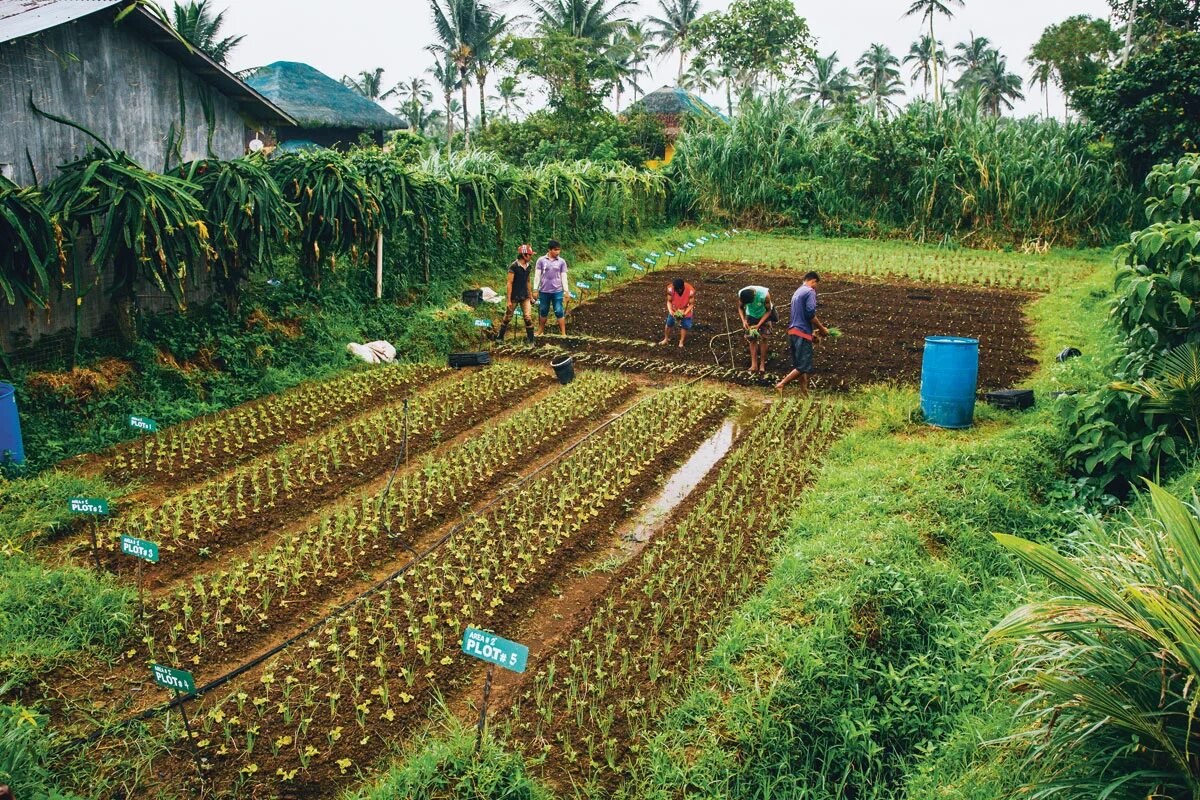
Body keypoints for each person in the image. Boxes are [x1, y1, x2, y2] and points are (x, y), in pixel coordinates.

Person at [776, 272, 830, 394]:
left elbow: (801, 315)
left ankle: (804, 392)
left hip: (793, 331)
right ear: (813, 281)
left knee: (800, 366)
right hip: (802, 332)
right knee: (804, 366)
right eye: (816, 284)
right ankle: (781, 384)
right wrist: (822, 329)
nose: (816, 287)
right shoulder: (810, 291)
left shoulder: (798, 292)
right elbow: (810, 314)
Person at [497, 244, 536, 345]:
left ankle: (531, 341)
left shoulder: (528, 266)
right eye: (530, 255)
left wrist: (531, 296)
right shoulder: (514, 266)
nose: (531, 257)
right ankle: (500, 337)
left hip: (525, 296)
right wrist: (508, 300)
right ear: (524, 255)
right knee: (508, 317)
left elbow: (528, 281)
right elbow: (509, 283)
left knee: (528, 317)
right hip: (514, 295)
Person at [738, 284, 775, 375]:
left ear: (754, 296)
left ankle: (762, 365)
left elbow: (769, 311)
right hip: (751, 315)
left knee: (764, 338)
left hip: (764, 315)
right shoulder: (742, 294)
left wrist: (759, 325)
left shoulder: (764, 295)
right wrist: (744, 321)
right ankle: (754, 365)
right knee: (752, 339)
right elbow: (740, 307)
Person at [535, 239, 569, 337]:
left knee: (559, 310)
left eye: (559, 250)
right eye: (555, 250)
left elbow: (564, 277)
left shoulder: (561, 262)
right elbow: (537, 276)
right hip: (544, 291)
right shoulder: (541, 260)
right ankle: (540, 331)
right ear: (550, 250)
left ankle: (563, 333)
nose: (558, 252)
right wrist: (535, 289)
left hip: (557, 291)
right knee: (543, 310)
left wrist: (566, 291)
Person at [659, 277, 696, 347]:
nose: (675, 291)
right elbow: (669, 301)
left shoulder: (690, 290)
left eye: (676, 290)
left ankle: (681, 341)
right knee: (669, 323)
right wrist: (670, 311)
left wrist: (684, 313)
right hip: (674, 309)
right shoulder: (670, 289)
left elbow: (691, 304)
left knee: (685, 326)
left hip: (686, 309)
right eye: (674, 289)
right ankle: (666, 339)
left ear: (681, 288)